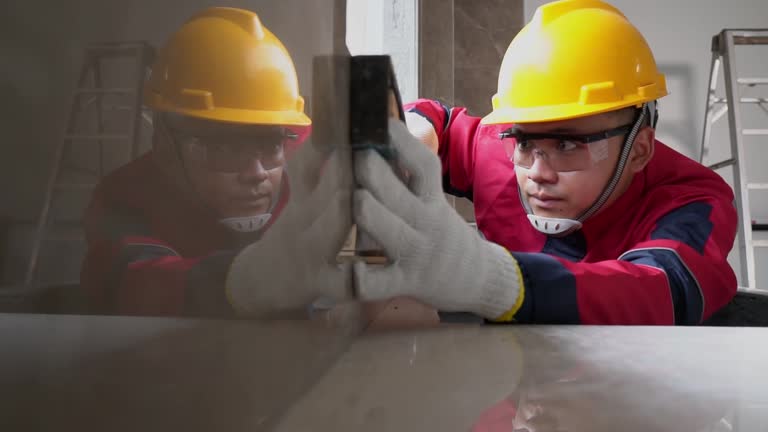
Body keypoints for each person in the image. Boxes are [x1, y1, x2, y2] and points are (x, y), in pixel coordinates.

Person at [350, 0, 738, 325]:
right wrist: (410, 129)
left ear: (639, 150)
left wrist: (491, 280)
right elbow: (443, 124)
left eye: (568, 144)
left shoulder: (693, 201)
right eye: (522, 140)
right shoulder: (509, 156)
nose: (537, 172)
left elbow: (661, 289)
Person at [80, 7, 315, 316]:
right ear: (166, 146)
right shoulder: (123, 200)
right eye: (225, 149)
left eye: (269, 144)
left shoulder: (308, 172)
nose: (256, 173)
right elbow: (138, 282)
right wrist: (264, 279)